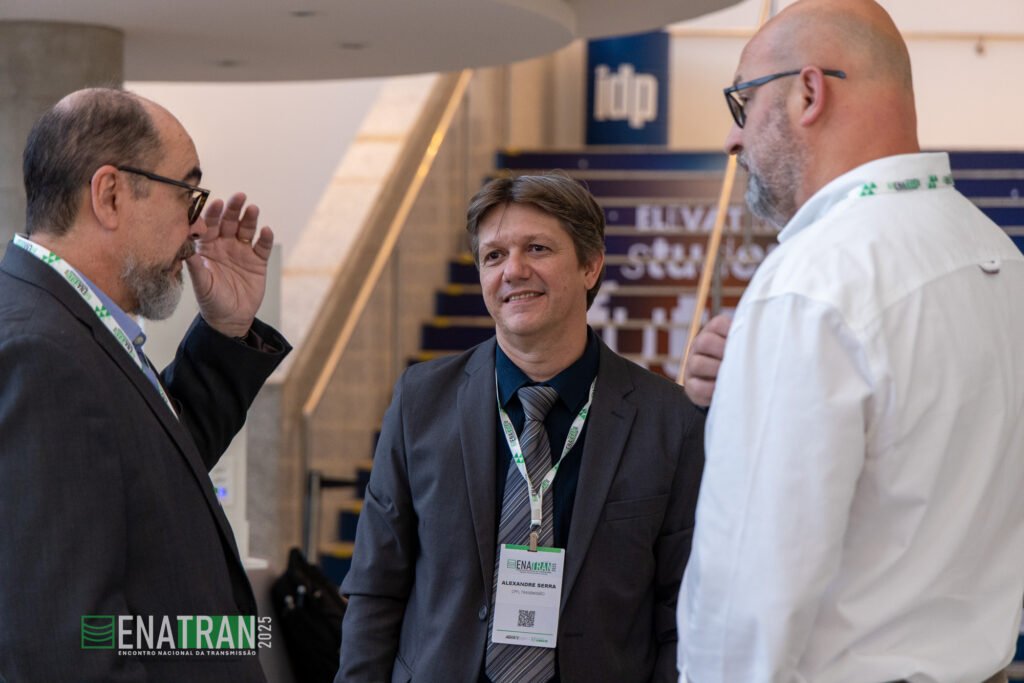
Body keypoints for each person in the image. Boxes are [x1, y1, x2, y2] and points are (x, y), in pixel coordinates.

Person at [676, 1, 1024, 681]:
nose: (732, 139)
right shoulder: (997, 256)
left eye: (743, 102)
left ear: (809, 92)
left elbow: (748, 598)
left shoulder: (811, 283)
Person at [337, 173, 706, 682]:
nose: (513, 270)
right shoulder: (420, 401)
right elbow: (376, 587)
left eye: (537, 248)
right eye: (494, 256)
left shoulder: (671, 420)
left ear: (591, 265)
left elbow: (682, 610)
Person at [0, 88, 290, 682]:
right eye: (188, 194)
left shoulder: (65, 323)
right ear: (110, 195)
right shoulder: (42, 351)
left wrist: (226, 332)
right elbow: (64, 645)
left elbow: (152, 473)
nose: (196, 227)